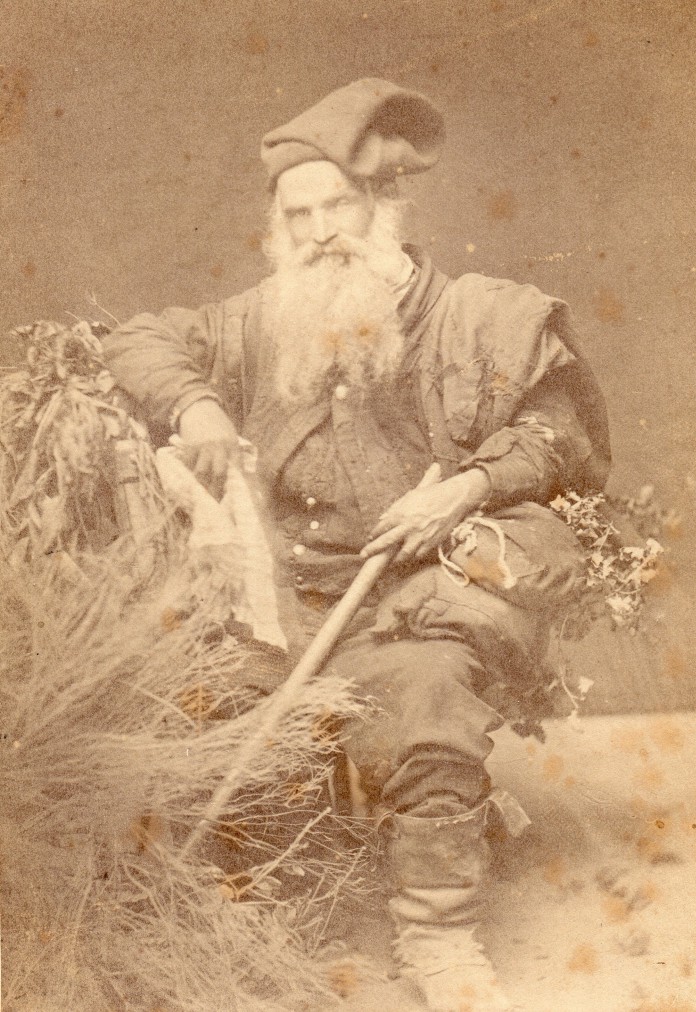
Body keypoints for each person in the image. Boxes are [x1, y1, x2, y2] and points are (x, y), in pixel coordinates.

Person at [103, 78, 610, 1011]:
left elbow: (558, 437)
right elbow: (134, 341)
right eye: (299, 216)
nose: (321, 232)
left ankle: (437, 938)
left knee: (423, 700)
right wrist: (198, 401)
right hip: (284, 605)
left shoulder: (473, 314)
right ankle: (259, 920)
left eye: (338, 205)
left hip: (413, 598)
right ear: (277, 228)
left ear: (385, 203)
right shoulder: (255, 321)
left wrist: (464, 488)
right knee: (203, 709)